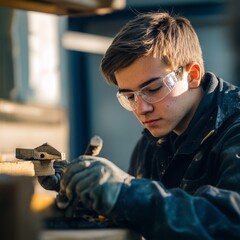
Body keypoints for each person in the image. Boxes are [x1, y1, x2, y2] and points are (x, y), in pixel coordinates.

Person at [39, 11, 240, 239]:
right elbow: (141, 218)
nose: (141, 109)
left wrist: (125, 192)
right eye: (130, 96)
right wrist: (87, 191)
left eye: (153, 89)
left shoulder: (234, 130)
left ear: (193, 75)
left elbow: (232, 223)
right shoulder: (152, 146)